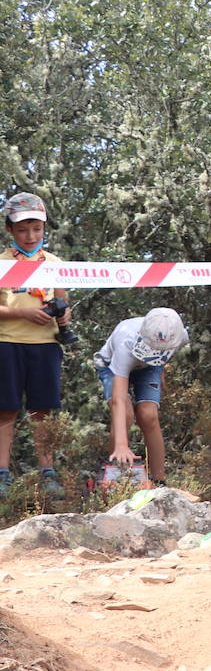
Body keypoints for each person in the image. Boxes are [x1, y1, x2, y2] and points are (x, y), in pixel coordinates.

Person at [0, 192, 73, 499]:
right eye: (22, 229)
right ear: (9, 230)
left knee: (43, 411)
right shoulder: (2, 263)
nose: (30, 236)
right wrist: (22, 312)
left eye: (36, 229)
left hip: (45, 345)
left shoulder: (54, 263)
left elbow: (63, 302)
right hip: (8, 342)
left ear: (45, 229)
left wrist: (65, 312)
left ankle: (48, 471)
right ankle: (3, 474)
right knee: (6, 409)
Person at [93, 308, 189, 489]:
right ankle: (115, 474)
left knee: (148, 415)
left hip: (151, 366)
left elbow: (167, 352)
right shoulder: (125, 340)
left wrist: (160, 369)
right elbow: (118, 399)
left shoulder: (179, 334)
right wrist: (122, 445)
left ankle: (160, 482)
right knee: (126, 413)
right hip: (112, 364)